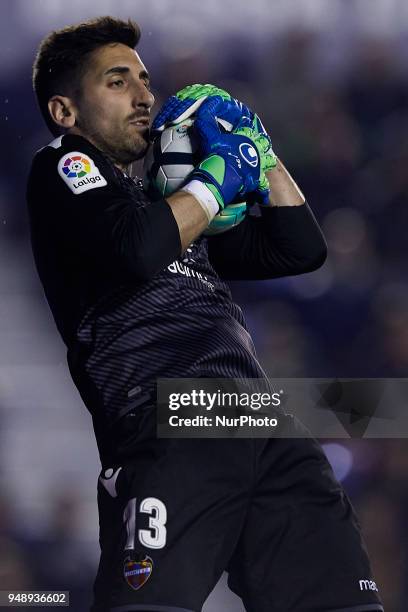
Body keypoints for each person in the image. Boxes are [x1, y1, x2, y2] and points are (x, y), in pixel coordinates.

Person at [27, 16, 383, 612]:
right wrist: (218, 180)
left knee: (342, 603)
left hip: (259, 417)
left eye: (145, 81)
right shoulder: (63, 166)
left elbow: (299, 247)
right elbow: (138, 249)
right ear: (66, 112)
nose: (145, 96)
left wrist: (258, 150)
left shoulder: (161, 205)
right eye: (118, 82)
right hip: (167, 415)